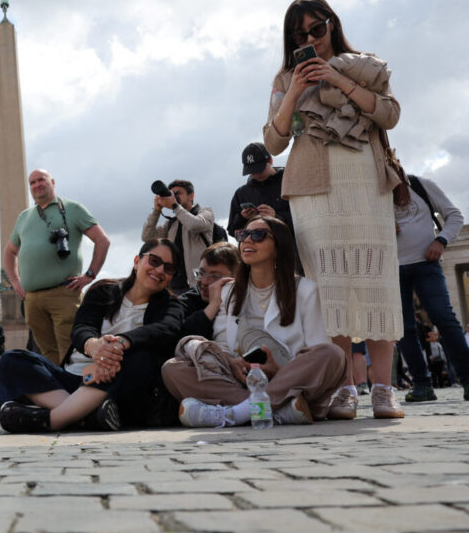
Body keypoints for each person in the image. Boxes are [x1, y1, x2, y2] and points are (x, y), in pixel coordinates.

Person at [264, 0, 404, 419]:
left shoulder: (367, 66)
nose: (310, 39)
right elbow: (273, 141)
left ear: (332, 25)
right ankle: (345, 389)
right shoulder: (284, 77)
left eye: (316, 30)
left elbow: (390, 114)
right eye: (299, 35)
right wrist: (295, 92)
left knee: (377, 280)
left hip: (365, 182)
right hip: (313, 190)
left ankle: (384, 388)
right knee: (330, 288)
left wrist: (339, 80)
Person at [162, 216, 347, 427]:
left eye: (258, 235)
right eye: (243, 235)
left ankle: (236, 413)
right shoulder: (229, 291)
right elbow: (223, 344)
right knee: (173, 368)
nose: (247, 240)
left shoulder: (305, 290)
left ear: (278, 248)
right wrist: (233, 363)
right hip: (243, 381)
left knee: (333, 354)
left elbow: (316, 350)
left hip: (289, 378)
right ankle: (279, 411)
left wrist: (279, 370)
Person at [0, 239, 185, 433]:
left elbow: (163, 329)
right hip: (74, 377)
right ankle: (84, 416)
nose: (160, 270)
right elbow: (81, 328)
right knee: (12, 360)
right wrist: (93, 346)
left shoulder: (171, 306)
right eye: (154, 261)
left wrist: (118, 345)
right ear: (137, 261)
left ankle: (54, 419)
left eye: (169, 268)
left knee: (141, 359)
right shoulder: (104, 291)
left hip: (115, 383)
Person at [3, 169, 110, 365]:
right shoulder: (24, 217)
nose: (37, 185)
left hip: (64, 293)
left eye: (41, 180)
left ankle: (75, 391)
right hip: (32, 298)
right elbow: (9, 251)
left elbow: (102, 240)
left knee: (71, 349)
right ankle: (58, 391)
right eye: (32, 182)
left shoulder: (73, 209)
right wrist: (15, 281)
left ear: (52, 181)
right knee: (47, 354)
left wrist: (89, 275)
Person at [395, 175, 469, 402]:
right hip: (392, 267)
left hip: (427, 262)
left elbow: (454, 215)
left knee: (443, 316)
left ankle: (468, 378)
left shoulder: (419, 184)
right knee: (403, 327)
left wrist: (442, 240)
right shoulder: (372, 194)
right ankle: (422, 384)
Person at [142, 180, 215, 293]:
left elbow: (194, 225)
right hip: (174, 286)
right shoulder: (172, 222)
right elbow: (147, 237)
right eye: (172, 193)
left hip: (200, 284)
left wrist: (175, 206)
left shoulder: (205, 212)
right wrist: (157, 210)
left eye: (178, 193)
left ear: (191, 196)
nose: (174, 197)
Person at [227, 143, 294, 241]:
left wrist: (277, 217)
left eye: (260, 169)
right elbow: (232, 231)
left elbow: (306, 218)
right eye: (252, 171)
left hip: (289, 248)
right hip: (256, 250)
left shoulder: (289, 182)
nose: (257, 174)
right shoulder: (241, 194)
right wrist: (243, 217)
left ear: (270, 160)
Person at [176, 243, 241, 340]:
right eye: (201, 273)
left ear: (235, 278)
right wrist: (212, 307)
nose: (204, 282)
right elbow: (177, 338)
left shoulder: (244, 300)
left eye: (215, 276)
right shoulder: (184, 303)